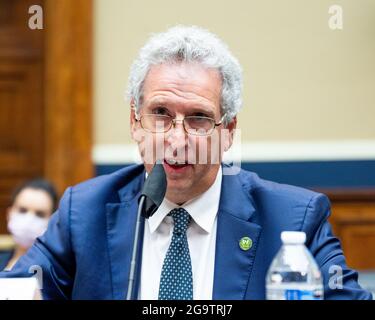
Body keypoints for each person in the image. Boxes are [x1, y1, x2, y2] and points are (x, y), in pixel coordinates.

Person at [0, 25, 372, 300]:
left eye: (198, 118)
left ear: (227, 131)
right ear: (134, 122)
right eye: (160, 113)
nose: (176, 140)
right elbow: (17, 288)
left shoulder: (292, 219)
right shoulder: (85, 212)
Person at [0, 179, 58, 271]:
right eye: (22, 210)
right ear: (9, 213)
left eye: (40, 214)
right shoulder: (2, 259)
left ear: (52, 221)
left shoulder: (57, 270)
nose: (29, 219)